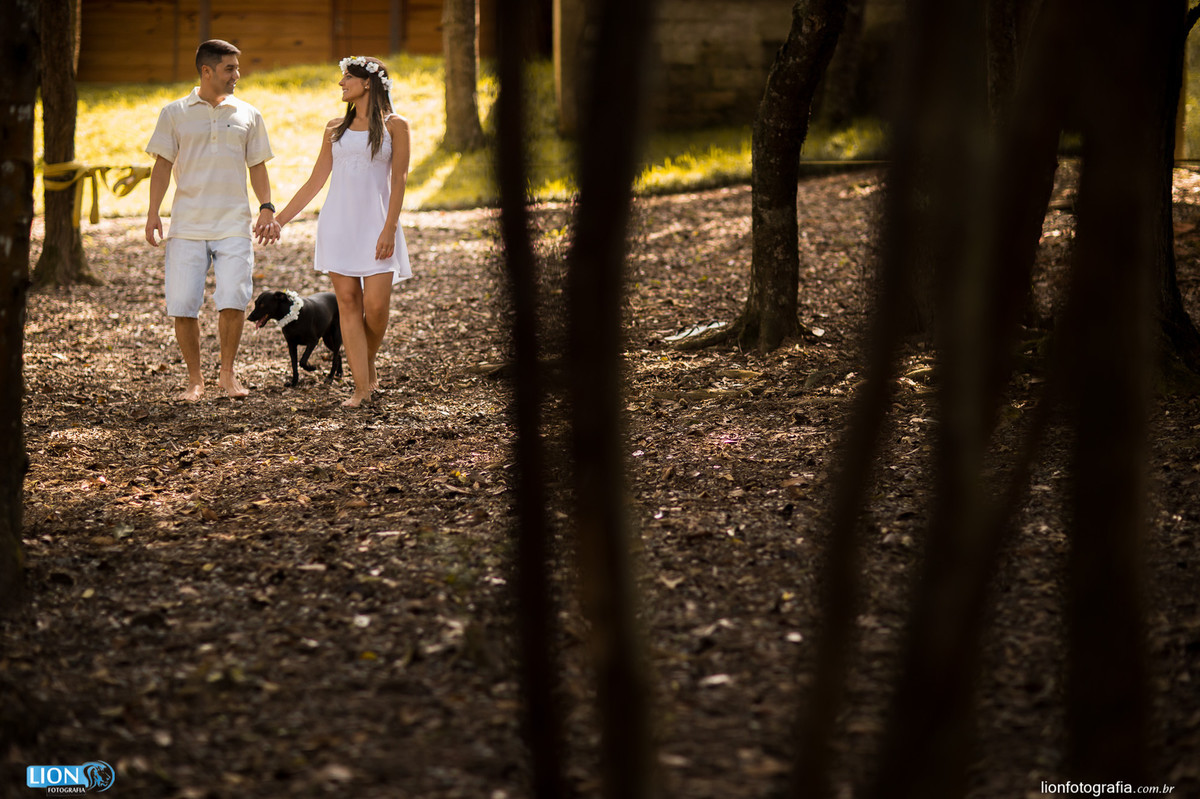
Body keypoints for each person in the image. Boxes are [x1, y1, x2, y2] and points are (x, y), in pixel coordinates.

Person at [267, 55, 412, 408]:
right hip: (338, 226)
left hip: (378, 226)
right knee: (347, 303)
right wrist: (280, 220)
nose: (341, 83)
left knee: (375, 308)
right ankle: (361, 387)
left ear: (368, 82)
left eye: (347, 77)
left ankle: (366, 360)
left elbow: (400, 180)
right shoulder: (335, 128)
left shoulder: (396, 126)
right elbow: (314, 182)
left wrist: (390, 228)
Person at [145, 39, 278, 401]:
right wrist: (153, 212)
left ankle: (227, 374)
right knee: (183, 304)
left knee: (234, 298)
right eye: (229, 68)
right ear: (207, 71)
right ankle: (195, 380)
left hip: (234, 224)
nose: (237, 75)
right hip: (186, 226)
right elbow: (162, 166)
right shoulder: (174, 113)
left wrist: (267, 206)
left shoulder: (249, 114)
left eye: (237, 67)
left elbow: (258, 166)